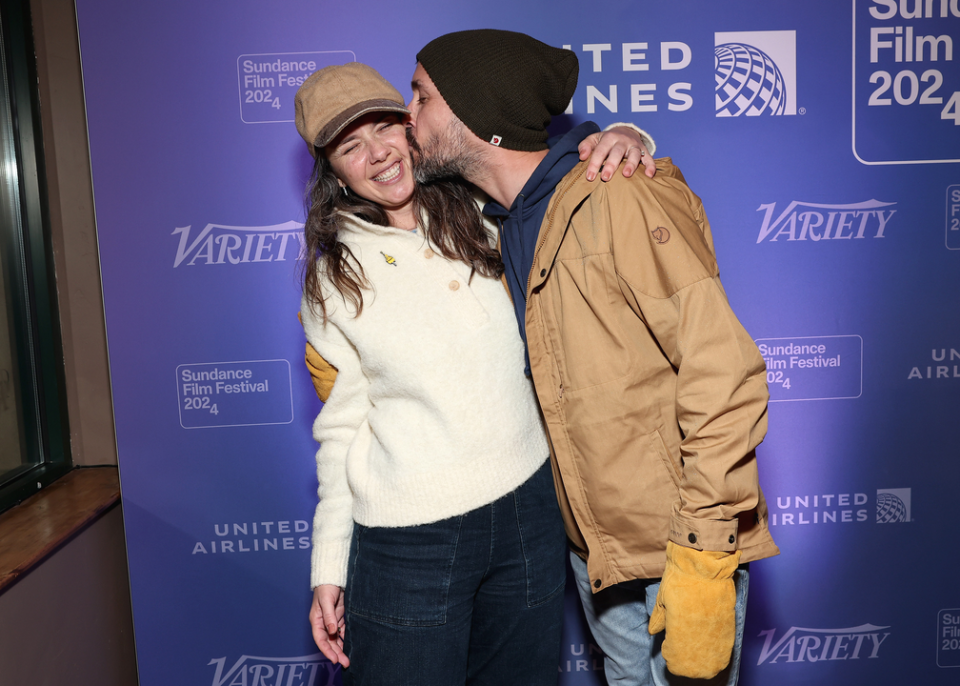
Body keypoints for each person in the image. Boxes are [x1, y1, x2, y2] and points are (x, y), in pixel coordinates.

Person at [405, 29, 780, 686]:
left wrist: (703, 544)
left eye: (422, 96)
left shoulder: (617, 194)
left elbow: (722, 371)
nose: (408, 116)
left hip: (677, 540)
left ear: (481, 118)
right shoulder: (500, 223)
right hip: (595, 547)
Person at [293, 62, 653, 686]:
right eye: (351, 146)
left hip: (530, 511)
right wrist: (330, 566)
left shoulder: (483, 211)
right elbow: (342, 428)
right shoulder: (333, 280)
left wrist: (625, 136)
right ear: (332, 170)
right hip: (411, 539)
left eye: (386, 128)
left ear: (414, 128)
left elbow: (561, 173)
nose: (378, 154)